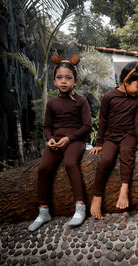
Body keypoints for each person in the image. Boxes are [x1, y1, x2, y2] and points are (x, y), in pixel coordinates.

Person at [28, 55, 91, 231]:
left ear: (75, 80)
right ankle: (43, 211)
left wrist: (69, 138)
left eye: (68, 78)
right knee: (43, 168)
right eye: (60, 78)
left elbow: (87, 126)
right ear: (54, 80)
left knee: (70, 163)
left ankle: (80, 208)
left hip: (75, 140)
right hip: (56, 141)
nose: (64, 81)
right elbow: (47, 127)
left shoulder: (81, 102)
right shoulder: (52, 103)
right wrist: (50, 140)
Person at [90, 61, 138, 219]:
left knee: (127, 154)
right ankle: (97, 197)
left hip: (128, 136)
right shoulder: (109, 97)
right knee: (105, 160)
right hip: (111, 136)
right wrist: (99, 143)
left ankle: (124, 191)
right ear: (126, 81)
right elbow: (103, 120)